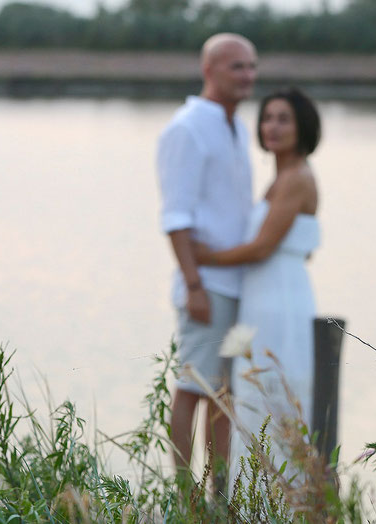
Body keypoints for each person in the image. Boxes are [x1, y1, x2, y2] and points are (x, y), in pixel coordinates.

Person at [193, 87, 321, 481]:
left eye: (283, 119)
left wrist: (202, 257)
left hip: (278, 302)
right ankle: (250, 502)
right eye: (267, 118)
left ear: (303, 128)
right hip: (262, 297)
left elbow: (263, 247)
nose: (272, 127)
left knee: (273, 393)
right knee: (251, 396)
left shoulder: (296, 177)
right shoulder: (279, 178)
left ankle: (279, 505)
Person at [156, 32, 258, 488]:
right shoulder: (188, 126)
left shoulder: (233, 124)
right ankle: (183, 494)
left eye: (252, 66)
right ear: (209, 70)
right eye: (237, 66)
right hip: (207, 286)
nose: (247, 75)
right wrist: (193, 284)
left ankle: (217, 493)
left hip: (241, 287)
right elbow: (176, 215)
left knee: (225, 395)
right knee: (194, 386)